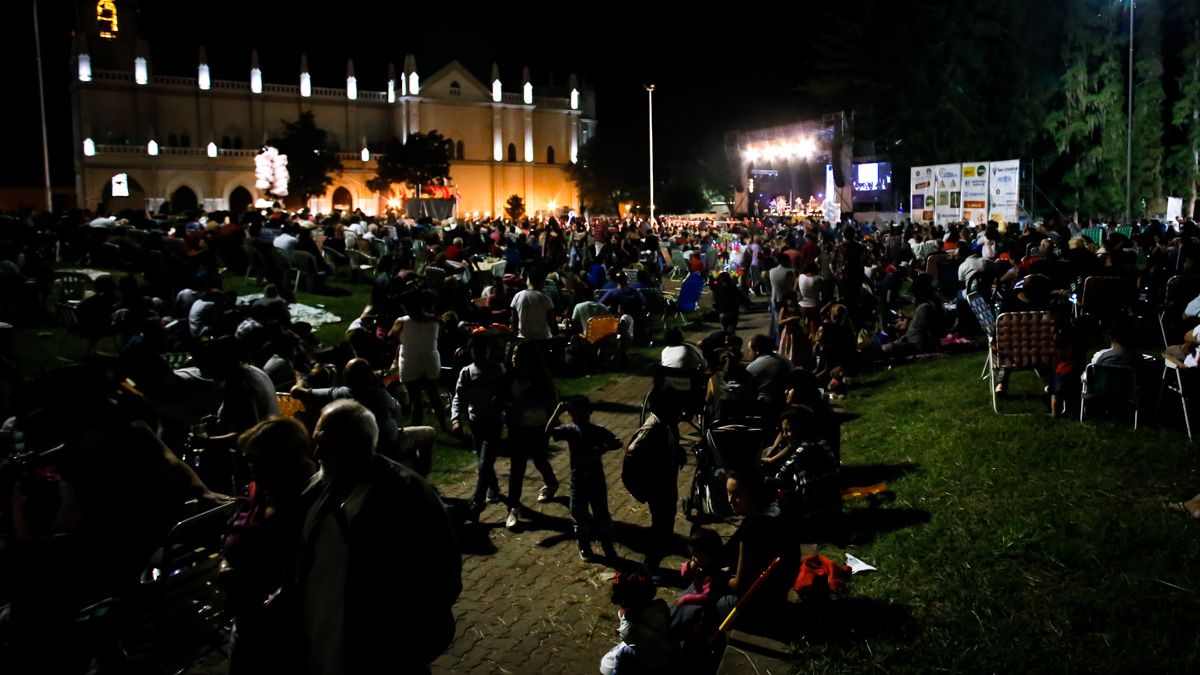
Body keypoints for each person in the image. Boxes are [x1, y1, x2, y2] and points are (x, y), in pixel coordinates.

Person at [293, 399, 462, 675]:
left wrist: (403, 643)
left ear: (358, 445)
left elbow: (442, 578)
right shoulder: (318, 489)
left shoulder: (407, 496)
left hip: (378, 656)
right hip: (321, 645)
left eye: (325, 443)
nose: (317, 452)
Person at [222, 417, 316, 675]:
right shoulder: (260, 492)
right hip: (245, 619)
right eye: (248, 459)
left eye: (257, 461)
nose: (250, 467)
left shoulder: (303, 507)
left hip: (277, 631)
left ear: (282, 461)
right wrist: (226, 563)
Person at [546, 396, 622, 561]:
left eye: (582, 414)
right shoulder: (570, 430)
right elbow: (548, 432)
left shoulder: (597, 431)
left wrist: (604, 447)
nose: (579, 418)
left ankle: (607, 546)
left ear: (590, 412)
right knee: (579, 515)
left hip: (595, 480)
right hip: (578, 480)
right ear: (571, 414)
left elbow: (617, 442)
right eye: (575, 414)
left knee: (601, 514)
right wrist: (557, 411)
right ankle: (584, 545)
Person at [504, 341, 560, 529]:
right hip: (517, 428)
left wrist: (527, 402)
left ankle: (551, 482)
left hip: (538, 426)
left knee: (539, 459)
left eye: (518, 355)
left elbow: (551, 399)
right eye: (513, 354)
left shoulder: (540, 378)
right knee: (517, 468)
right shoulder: (509, 377)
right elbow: (502, 398)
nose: (514, 358)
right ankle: (513, 507)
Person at [452, 337, 506, 521]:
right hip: (476, 423)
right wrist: (455, 419)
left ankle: (477, 501)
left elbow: (506, 393)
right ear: (471, 352)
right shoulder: (466, 373)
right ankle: (494, 487)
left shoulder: (498, 370)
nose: (481, 354)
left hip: (494, 423)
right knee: (483, 461)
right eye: (476, 350)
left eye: (484, 350)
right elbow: (458, 398)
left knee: (484, 463)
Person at [599, 572, 678, 675]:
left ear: (624, 602)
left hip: (652, 660)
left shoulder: (630, 626)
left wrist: (623, 619)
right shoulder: (661, 605)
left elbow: (626, 638)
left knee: (619, 657)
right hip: (669, 650)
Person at [391, 295, 447, 430]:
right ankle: (444, 425)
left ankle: (416, 427)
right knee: (434, 395)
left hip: (410, 360)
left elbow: (393, 335)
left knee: (416, 400)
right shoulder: (436, 321)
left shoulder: (402, 321)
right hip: (430, 359)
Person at [746, 334, 794, 424]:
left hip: (765, 408)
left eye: (749, 350)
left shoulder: (752, 367)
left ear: (756, 350)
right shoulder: (786, 360)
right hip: (786, 404)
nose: (748, 354)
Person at [767, 252, 796, 345]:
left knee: (777, 321)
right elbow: (791, 286)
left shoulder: (771, 271)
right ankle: (784, 343)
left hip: (774, 298)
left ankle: (778, 342)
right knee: (785, 322)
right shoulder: (790, 271)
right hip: (786, 299)